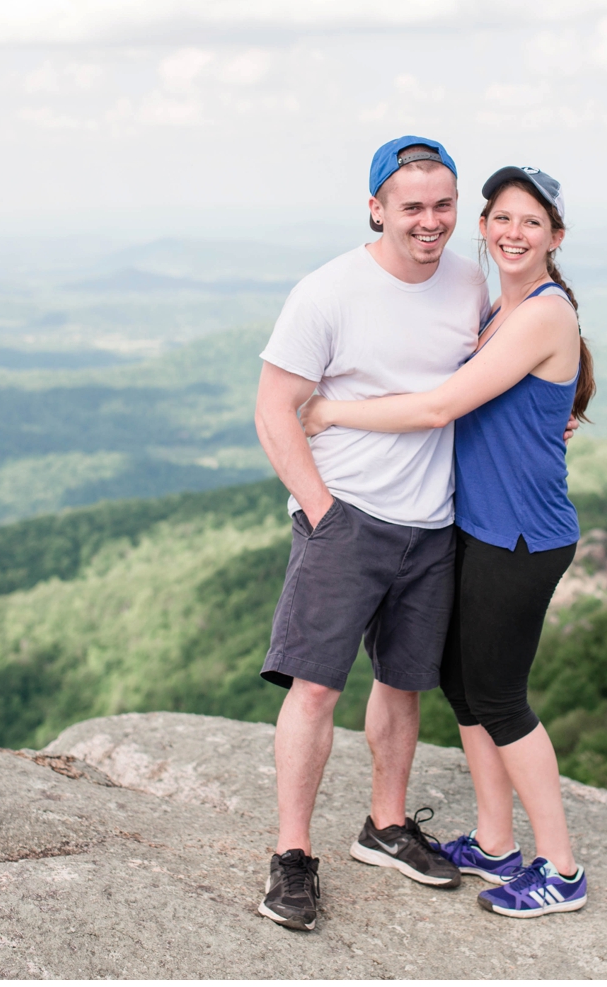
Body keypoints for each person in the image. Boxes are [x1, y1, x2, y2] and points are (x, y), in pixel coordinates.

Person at [298, 165, 594, 918]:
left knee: (499, 696)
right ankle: (496, 843)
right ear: (485, 226)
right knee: (463, 687)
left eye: (531, 221)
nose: (512, 232)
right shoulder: (504, 306)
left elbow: (440, 406)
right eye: (500, 217)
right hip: (481, 526)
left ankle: (560, 867)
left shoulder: (541, 312)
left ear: (555, 237)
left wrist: (331, 414)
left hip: (521, 537)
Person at [252, 136, 485, 932]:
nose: (430, 222)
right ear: (377, 206)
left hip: (433, 522)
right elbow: (272, 408)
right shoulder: (327, 292)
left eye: (444, 205)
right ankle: (291, 855)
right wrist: (321, 510)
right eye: (413, 206)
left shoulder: (467, 278)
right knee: (316, 685)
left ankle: (385, 824)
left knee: (403, 681)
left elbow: (491, 369)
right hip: (346, 515)